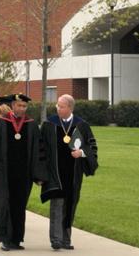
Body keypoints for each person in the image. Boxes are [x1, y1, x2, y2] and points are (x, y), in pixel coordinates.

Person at [0, 94, 44, 251]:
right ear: (12, 106)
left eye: (24, 106)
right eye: (19, 106)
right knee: (5, 204)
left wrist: (38, 175)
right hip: (2, 172)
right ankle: (5, 238)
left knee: (19, 205)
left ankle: (16, 239)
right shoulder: (0, 124)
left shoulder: (31, 125)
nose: (22, 109)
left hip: (23, 174)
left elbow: (38, 152)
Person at [40, 94, 98, 251]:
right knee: (57, 205)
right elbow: (41, 149)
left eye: (61, 106)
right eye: (57, 105)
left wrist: (82, 153)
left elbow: (92, 147)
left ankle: (66, 239)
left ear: (70, 108)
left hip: (74, 174)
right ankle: (56, 239)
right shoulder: (49, 124)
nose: (57, 108)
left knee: (70, 205)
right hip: (55, 173)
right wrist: (41, 173)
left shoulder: (82, 125)